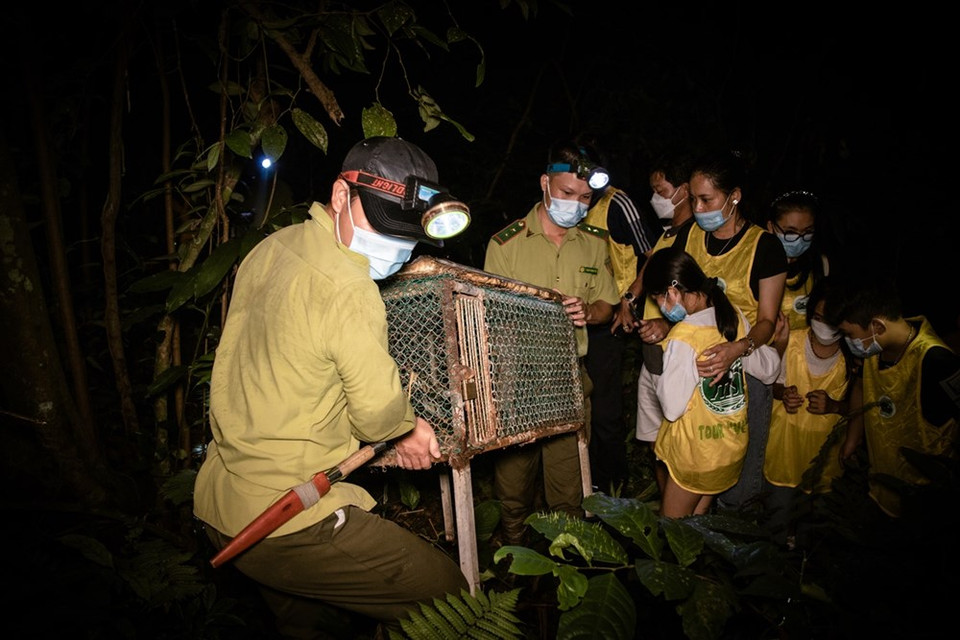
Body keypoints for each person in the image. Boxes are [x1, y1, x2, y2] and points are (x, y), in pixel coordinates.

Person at [193, 136, 470, 637]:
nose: (395, 249)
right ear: (341, 195)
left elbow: (281, 365)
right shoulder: (350, 287)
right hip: (286, 513)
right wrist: (408, 428)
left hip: (219, 499)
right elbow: (380, 418)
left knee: (315, 624)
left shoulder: (270, 247)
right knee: (449, 599)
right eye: (383, 227)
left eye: (408, 236)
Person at [483, 138, 620, 544]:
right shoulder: (504, 244)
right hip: (518, 380)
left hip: (570, 378)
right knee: (513, 483)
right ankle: (513, 553)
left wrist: (588, 312)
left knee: (570, 485)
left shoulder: (594, 241)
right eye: (567, 193)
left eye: (585, 198)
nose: (576, 204)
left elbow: (607, 305)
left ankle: (566, 560)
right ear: (545, 183)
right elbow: (490, 317)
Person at [639, 149, 788, 513]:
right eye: (693, 199)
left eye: (707, 199)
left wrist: (738, 349)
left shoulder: (764, 248)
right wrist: (662, 321)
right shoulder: (688, 233)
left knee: (733, 479)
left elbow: (768, 320)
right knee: (679, 453)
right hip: (689, 359)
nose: (699, 208)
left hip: (740, 364)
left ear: (734, 195)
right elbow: (673, 290)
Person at [642, 246, 779, 517]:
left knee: (673, 533)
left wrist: (658, 370)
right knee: (698, 524)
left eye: (658, 299)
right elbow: (770, 368)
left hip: (695, 455)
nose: (660, 307)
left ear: (671, 293)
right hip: (728, 452)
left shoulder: (683, 337)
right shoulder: (731, 315)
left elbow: (671, 408)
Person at [826, 272, 960, 518]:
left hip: (925, 503)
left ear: (877, 326)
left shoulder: (936, 361)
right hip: (881, 485)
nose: (847, 341)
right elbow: (860, 385)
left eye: (849, 334)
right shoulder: (875, 346)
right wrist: (853, 438)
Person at [576, 135, 661, 494]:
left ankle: (614, 486)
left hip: (611, 316)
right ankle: (584, 480)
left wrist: (628, 298)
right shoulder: (563, 205)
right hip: (575, 317)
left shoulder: (616, 202)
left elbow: (652, 254)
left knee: (606, 408)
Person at [617, 149, 695, 495]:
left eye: (661, 191)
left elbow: (703, 302)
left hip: (678, 360)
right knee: (655, 445)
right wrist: (628, 303)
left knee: (679, 446)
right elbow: (644, 278)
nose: (655, 199)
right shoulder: (665, 235)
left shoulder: (699, 238)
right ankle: (668, 510)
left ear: (685, 189)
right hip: (652, 357)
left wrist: (668, 326)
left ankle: (679, 516)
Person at [763, 278, 850, 546]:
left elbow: (862, 410)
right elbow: (768, 383)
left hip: (825, 463)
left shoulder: (853, 356)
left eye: (832, 321)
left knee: (813, 536)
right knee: (774, 528)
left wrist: (834, 406)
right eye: (820, 317)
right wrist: (783, 393)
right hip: (783, 454)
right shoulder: (791, 341)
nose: (825, 326)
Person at [767, 190, 829, 330]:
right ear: (771, 227)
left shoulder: (820, 264)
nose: (799, 239)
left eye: (807, 232)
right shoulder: (755, 262)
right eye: (791, 232)